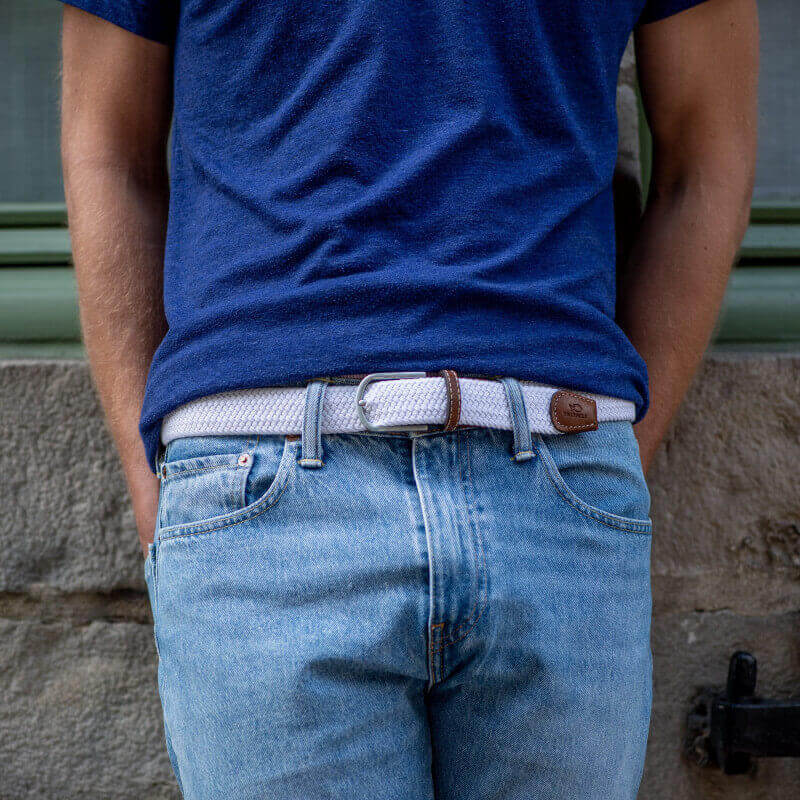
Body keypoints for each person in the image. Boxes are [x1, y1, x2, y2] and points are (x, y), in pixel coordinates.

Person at [59, 0, 758, 797]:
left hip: (556, 484)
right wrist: (156, 483)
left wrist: (609, 458)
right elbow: (106, 144)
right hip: (259, 488)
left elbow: (708, 156)